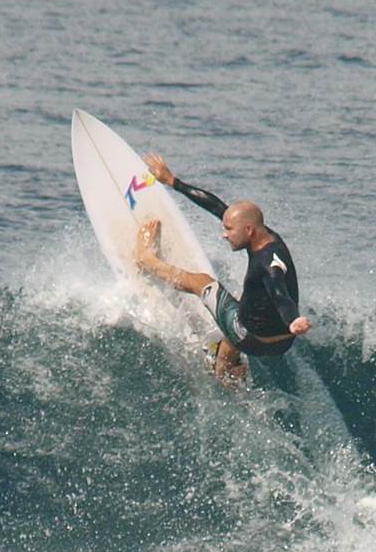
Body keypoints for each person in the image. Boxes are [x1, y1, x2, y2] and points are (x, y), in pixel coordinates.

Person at [130, 152, 309, 382]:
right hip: (283, 342)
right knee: (248, 299)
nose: (224, 234)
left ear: (248, 230)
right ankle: (227, 374)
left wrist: (293, 319)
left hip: (253, 338)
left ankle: (147, 260)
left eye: (229, 230)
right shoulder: (266, 236)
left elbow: (279, 292)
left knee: (202, 282)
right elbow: (216, 206)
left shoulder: (269, 264)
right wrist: (174, 182)